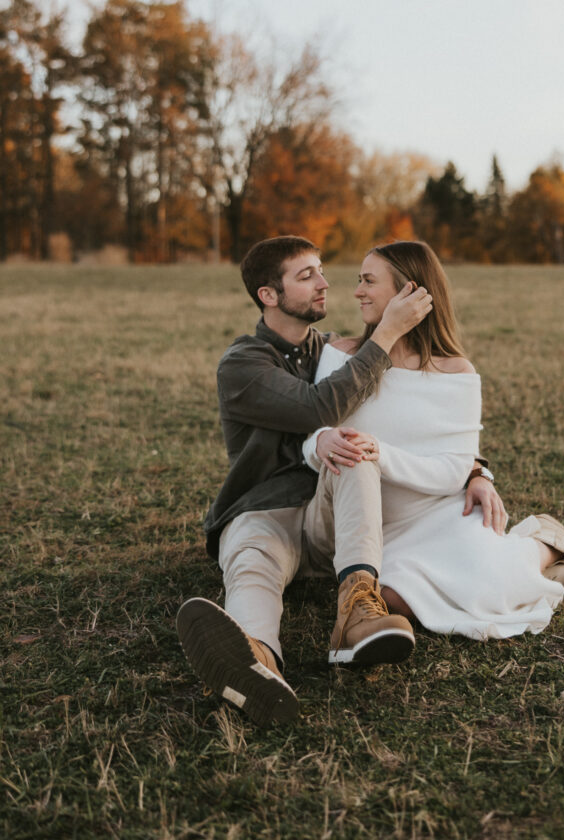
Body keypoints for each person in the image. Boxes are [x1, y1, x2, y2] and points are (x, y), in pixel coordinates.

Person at [176, 236, 501, 728]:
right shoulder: (243, 365)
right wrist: (384, 335)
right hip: (263, 511)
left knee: (355, 448)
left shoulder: (331, 349)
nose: (325, 283)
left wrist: (475, 470)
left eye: (322, 270)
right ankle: (256, 659)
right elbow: (318, 407)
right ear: (269, 295)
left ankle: (356, 615)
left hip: (327, 513)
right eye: (306, 275)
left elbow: (409, 418)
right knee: (253, 565)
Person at [301, 241, 564, 641]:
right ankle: (536, 568)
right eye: (359, 280)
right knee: (393, 598)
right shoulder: (340, 355)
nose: (357, 291)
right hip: (362, 522)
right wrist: (319, 442)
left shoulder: (455, 372)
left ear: (409, 292)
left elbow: (455, 469)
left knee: (489, 586)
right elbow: (312, 430)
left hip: (437, 513)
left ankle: (547, 544)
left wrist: (384, 455)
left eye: (369, 281)